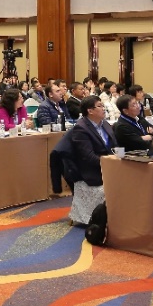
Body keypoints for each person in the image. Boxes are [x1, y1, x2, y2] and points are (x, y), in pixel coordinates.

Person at [64, 96, 114, 225]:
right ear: (90, 111)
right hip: (92, 171)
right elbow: (88, 157)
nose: (104, 109)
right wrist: (111, 164)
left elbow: (115, 147)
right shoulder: (81, 129)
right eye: (100, 106)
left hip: (109, 165)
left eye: (103, 106)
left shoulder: (105, 124)